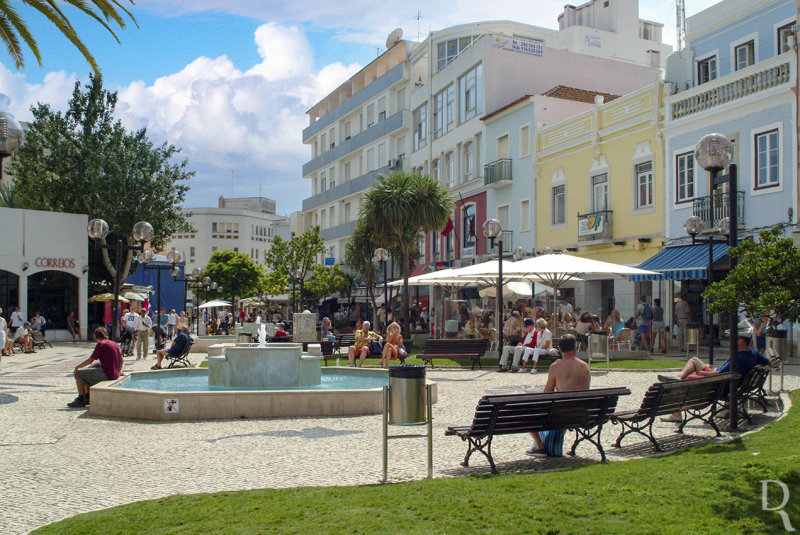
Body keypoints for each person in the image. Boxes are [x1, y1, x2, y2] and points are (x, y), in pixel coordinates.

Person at [658, 326, 769, 422]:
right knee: (694, 360)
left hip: (719, 385)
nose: (731, 341)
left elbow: (719, 375)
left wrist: (700, 373)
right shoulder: (753, 354)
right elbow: (767, 362)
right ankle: (678, 377)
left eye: (734, 338)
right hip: (729, 382)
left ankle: (677, 411)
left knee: (684, 381)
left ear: (740, 341)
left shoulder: (738, 358)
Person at [526, 334, 590, 457]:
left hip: (562, 415)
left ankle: (540, 446)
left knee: (528, 413)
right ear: (575, 348)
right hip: (583, 414)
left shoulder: (556, 367)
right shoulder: (585, 366)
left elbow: (547, 394)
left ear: (559, 349)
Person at [67, 327, 123, 408]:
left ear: (95, 336)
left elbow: (91, 360)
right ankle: (87, 396)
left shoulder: (101, 344)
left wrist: (77, 367)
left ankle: (81, 398)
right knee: (89, 371)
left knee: (78, 373)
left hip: (107, 374)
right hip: (115, 374)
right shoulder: (113, 343)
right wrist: (119, 371)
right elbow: (121, 360)